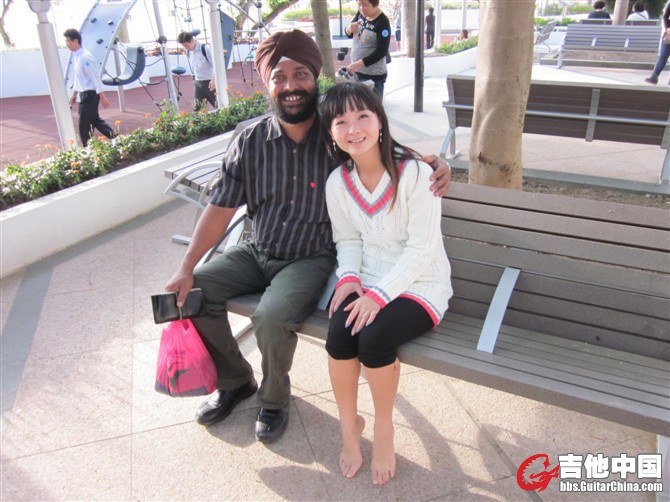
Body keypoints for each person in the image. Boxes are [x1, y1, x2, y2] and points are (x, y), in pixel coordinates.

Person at [165, 30, 452, 445]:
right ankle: (236, 382)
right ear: (267, 84)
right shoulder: (250, 141)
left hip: (310, 257)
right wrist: (186, 266)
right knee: (194, 292)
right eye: (279, 77)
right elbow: (221, 207)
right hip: (256, 250)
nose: (291, 86)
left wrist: (436, 164)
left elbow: (381, 147)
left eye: (300, 74)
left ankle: (273, 400)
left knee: (270, 317)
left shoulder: (336, 134)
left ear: (314, 77)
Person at [320, 82, 452, 485]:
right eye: (341, 121)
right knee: (339, 334)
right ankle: (349, 426)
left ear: (380, 121)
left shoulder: (416, 173)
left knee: (374, 339)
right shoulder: (337, 182)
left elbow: (423, 249)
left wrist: (378, 297)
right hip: (370, 279)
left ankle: (383, 429)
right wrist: (350, 278)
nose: (353, 128)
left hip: (422, 282)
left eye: (362, 116)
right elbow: (348, 239)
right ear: (331, 133)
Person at [63, 28, 116, 148]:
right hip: (84, 94)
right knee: (94, 120)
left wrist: (102, 97)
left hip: (90, 94)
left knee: (84, 124)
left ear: (75, 41)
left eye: (68, 41)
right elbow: (79, 78)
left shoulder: (85, 57)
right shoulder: (77, 56)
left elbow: (94, 78)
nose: (67, 44)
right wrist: (74, 95)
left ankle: (88, 148)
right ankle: (114, 138)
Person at [345, 0, 391, 97]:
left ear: (375, 4)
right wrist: (349, 28)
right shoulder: (361, 14)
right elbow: (349, 33)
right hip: (356, 73)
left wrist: (359, 64)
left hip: (373, 77)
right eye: (359, 5)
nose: (361, 8)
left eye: (365, 5)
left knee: (371, 106)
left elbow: (382, 51)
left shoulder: (383, 22)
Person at [177, 31, 217, 111]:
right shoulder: (189, 52)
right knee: (197, 110)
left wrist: (214, 80)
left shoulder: (205, 49)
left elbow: (215, 65)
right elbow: (194, 67)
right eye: (184, 46)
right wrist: (194, 79)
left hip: (209, 83)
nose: (186, 48)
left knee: (218, 105)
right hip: (198, 83)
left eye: (187, 46)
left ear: (192, 40)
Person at [645, 1, 670, 84]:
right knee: (663, 55)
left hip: (668, 32)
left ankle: (654, 77)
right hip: (668, 33)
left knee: (663, 55)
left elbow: (665, 16)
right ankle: (654, 76)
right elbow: (665, 16)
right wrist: (667, 28)